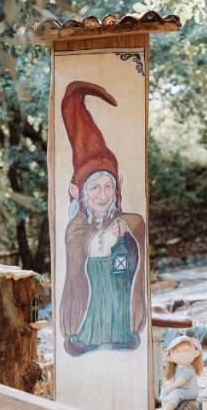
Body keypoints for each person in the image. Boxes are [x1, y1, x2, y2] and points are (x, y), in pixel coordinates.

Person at [58, 81, 148, 356]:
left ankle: (124, 331)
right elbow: (74, 274)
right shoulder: (76, 228)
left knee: (117, 300)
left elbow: (139, 256)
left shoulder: (129, 222)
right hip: (94, 288)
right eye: (94, 188)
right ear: (80, 193)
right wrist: (98, 240)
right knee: (97, 306)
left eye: (108, 187)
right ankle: (87, 334)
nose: (102, 195)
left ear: (117, 186)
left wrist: (123, 237)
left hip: (119, 285)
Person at [157, 336, 203, 410]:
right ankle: (164, 406)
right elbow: (171, 379)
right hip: (179, 388)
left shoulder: (189, 369)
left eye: (185, 350)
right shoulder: (175, 367)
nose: (181, 354)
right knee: (164, 390)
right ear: (170, 357)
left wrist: (171, 388)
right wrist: (168, 386)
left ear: (196, 353)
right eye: (176, 351)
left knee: (176, 393)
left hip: (189, 391)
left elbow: (181, 382)